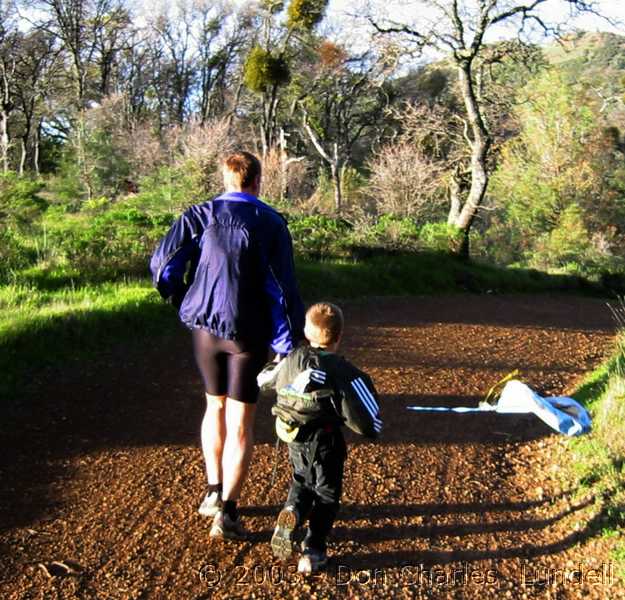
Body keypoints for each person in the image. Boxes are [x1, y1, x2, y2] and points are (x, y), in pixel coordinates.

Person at [150, 151, 305, 540]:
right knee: (241, 423)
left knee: (212, 406)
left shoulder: (200, 215)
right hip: (247, 334)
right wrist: (287, 345)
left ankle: (212, 492)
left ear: (225, 178)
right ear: (257, 181)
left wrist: (183, 296)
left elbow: (162, 264)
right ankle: (228, 513)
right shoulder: (271, 223)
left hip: (204, 328)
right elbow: (282, 290)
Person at [258, 302, 382, 574]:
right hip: (326, 443)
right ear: (338, 336)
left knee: (301, 480)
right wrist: (373, 429)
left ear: (306, 330)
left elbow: (264, 381)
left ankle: (291, 513)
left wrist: (279, 364)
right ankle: (313, 549)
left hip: (294, 437)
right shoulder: (340, 369)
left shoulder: (292, 358)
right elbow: (363, 410)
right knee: (327, 494)